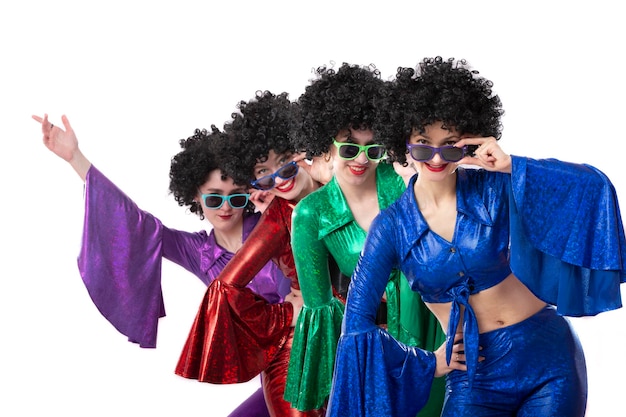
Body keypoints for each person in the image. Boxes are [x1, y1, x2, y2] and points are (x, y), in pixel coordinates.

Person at [326, 57, 626, 417]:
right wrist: (426, 363)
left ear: (466, 144)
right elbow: (356, 325)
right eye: (423, 144)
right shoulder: (390, 227)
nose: (436, 158)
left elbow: (592, 189)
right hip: (473, 375)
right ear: (403, 141)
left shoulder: (495, 188)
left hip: (549, 360)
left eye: (449, 145)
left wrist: (511, 165)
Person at [33, 114, 294, 417]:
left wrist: (275, 196)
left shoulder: (272, 221)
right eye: (214, 198)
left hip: (315, 342)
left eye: (235, 198)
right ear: (196, 197)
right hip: (274, 364)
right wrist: (75, 159)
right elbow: (136, 223)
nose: (225, 207)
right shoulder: (197, 251)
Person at [284, 62, 446, 416]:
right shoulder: (310, 215)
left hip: (437, 323)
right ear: (326, 143)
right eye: (349, 148)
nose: (361, 159)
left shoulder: (404, 180)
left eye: (373, 149)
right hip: (381, 350)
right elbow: (321, 313)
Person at [174, 91, 328, 416]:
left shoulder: (346, 188)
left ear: (302, 149)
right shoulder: (276, 219)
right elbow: (224, 289)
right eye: (263, 170)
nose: (279, 177)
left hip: (362, 336)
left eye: (285, 161)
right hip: (298, 348)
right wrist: (284, 316)